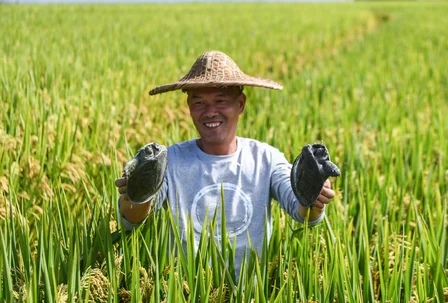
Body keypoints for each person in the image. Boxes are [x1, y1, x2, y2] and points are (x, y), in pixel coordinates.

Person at [114, 50, 335, 277]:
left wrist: (313, 197)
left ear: (240, 104)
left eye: (220, 101)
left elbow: (301, 211)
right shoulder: (170, 162)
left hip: (250, 293)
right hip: (184, 290)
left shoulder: (266, 159)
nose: (210, 112)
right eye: (199, 102)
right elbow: (133, 219)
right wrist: (137, 193)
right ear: (189, 107)